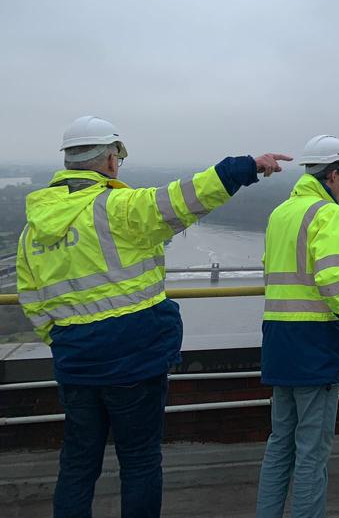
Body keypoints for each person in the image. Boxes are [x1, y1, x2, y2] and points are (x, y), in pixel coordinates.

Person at [16, 115, 290, 518]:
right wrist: (248, 166)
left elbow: (31, 299)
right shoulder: (118, 208)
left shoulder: (33, 230)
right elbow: (188, 197)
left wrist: (63, 340)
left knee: (77, 464)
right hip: (134, 360)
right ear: (111, 159)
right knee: (140, 461)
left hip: (75, 362)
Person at [256, 135, 339, 518]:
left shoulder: (281, 213)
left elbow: (283, 272)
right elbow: (333, 280)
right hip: (315, 346)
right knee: (312, 452)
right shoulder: (329, 213)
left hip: (279, 342)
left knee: (279, 445)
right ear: (334, 174)